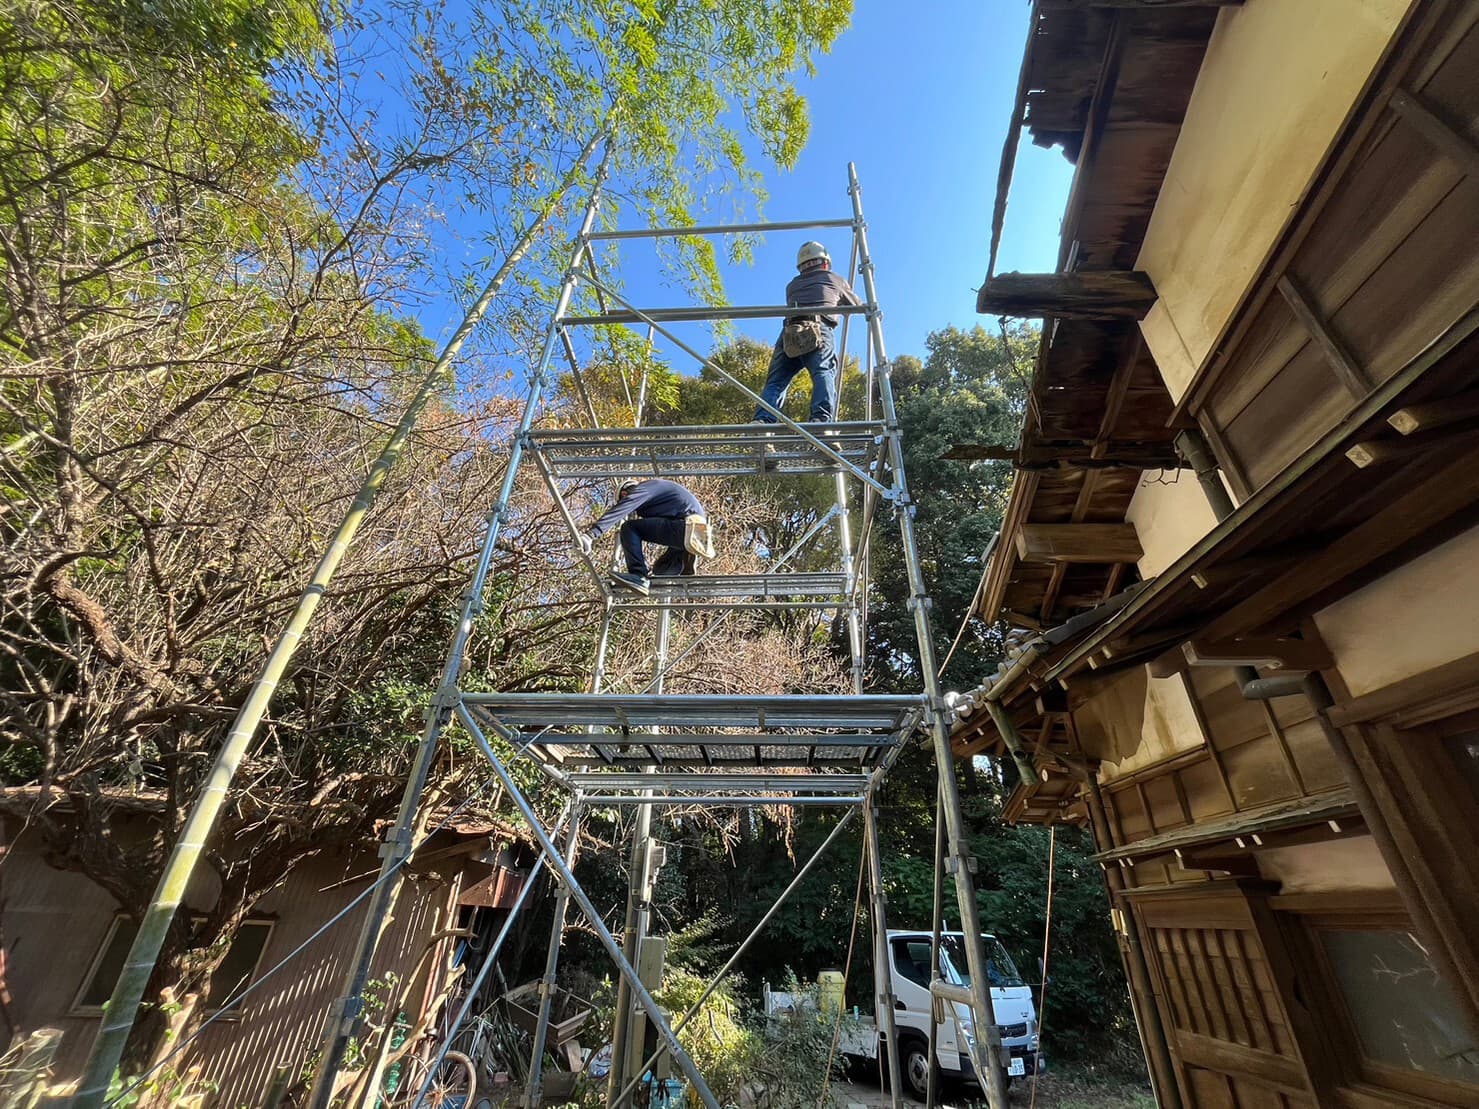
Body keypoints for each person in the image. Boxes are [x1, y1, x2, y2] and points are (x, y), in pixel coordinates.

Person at [753, 241, 862, 425]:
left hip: (790, 332)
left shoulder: (792, 285)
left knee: (776, 381)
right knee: (822, 372)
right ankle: (820, 419)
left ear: (801, 266)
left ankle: (763, 420)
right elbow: (856, 306)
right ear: (825, 263)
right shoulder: (833, 278)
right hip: (818, 328)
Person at [576, 478, 715, 595]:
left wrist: (591, 535)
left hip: (686, 525)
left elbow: (623, 508)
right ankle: (684, 560)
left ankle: (639, 576)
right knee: (660, 570)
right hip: (697, 531)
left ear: (625, 494)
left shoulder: (643, 489)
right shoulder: (660, 495)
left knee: (629, 528)